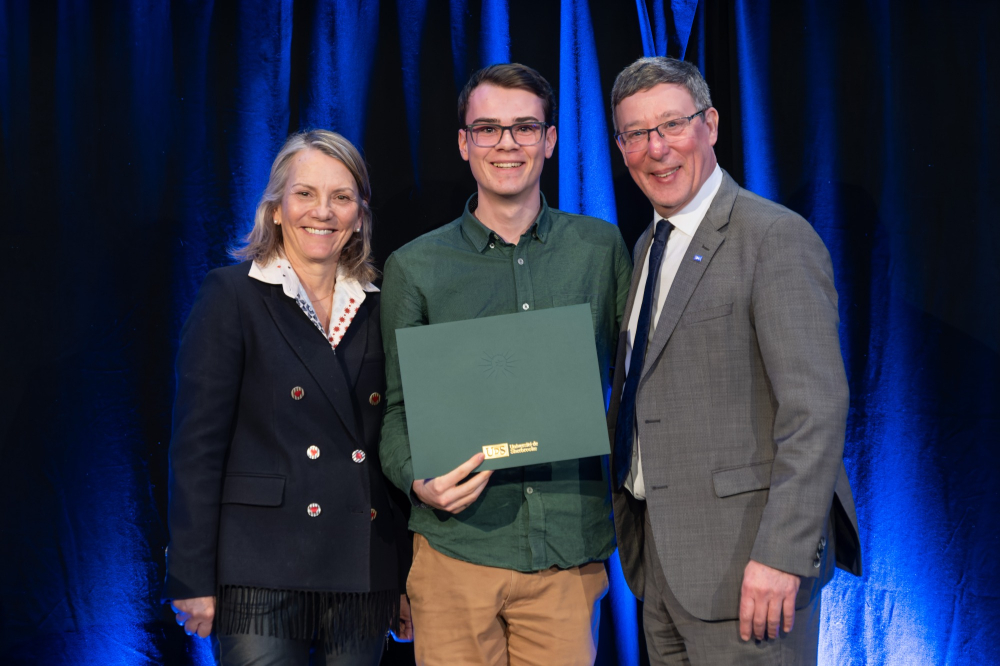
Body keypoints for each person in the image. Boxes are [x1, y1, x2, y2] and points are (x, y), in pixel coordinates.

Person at [606, 56, 863, 664]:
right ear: (620, 148)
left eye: (672, 124)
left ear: (711, 124)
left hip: (753, 571)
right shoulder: (646, 247)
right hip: (664, 568)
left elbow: (815, 409)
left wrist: (783, 554)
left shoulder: (773, 237)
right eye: (637, 133)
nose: (657, 148)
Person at [378, 63, 632, 666]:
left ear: (550, 140)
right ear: (464, 143)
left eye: (525, 127)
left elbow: (635, 387)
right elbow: (396, 412)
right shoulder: (415, 267)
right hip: (456, 551)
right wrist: (419, 480)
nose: (507, 144)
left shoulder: (599, 249)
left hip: (568, 551)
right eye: (488, 129)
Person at [163, 129, 411, 666]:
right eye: (305, 194)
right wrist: (191, 575)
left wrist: (405, 576)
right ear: (276, 208)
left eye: (341, 197)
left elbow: (395, 443)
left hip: (362, 564)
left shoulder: (381, 305)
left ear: (359, 215)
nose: (322, 211)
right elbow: (197, 449)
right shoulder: (231, 295)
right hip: (259, 568)